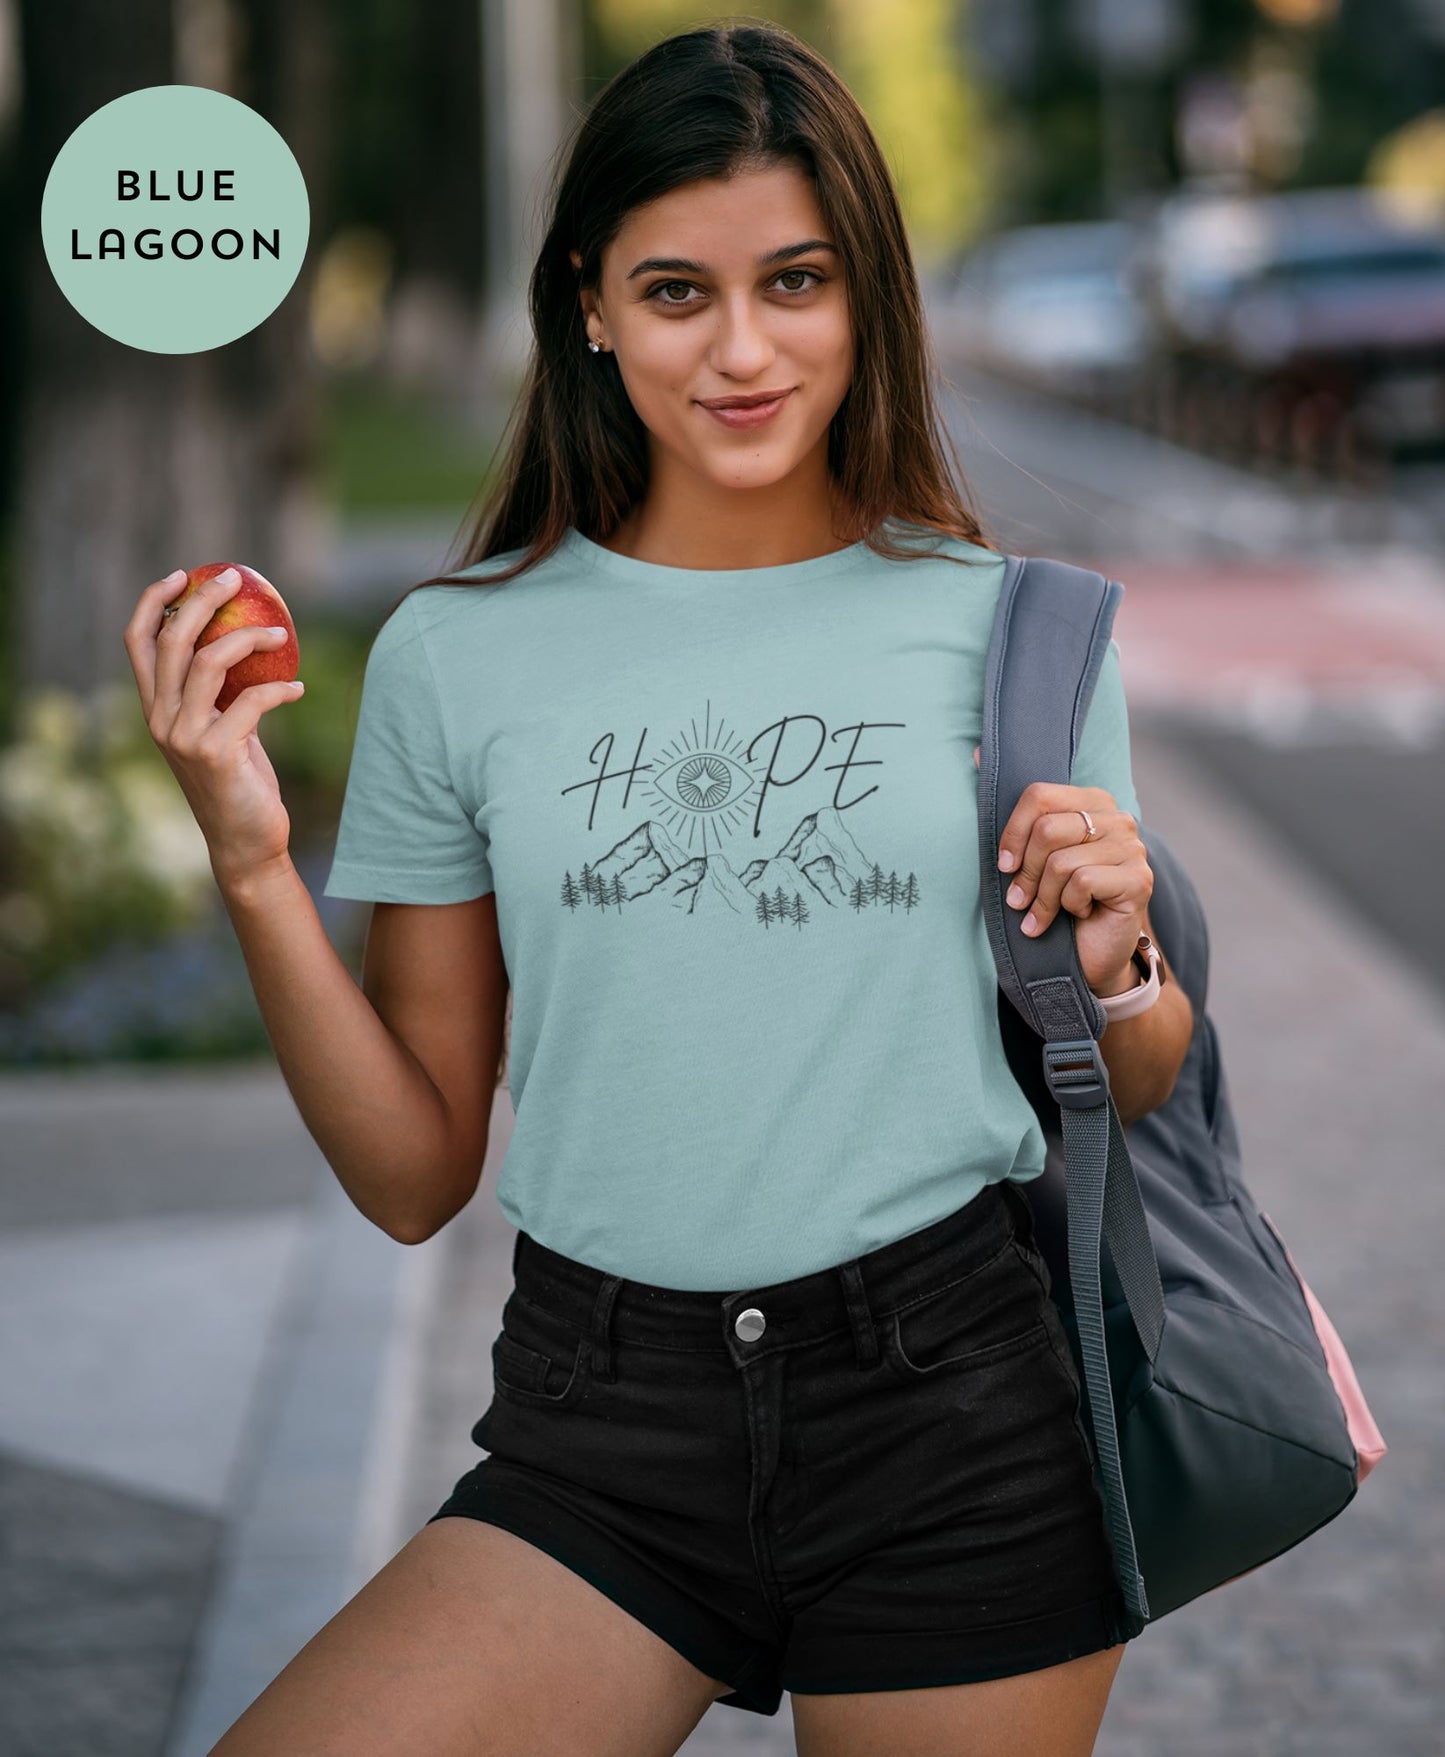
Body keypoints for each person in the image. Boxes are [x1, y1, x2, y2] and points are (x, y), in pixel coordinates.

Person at [125, 19, 1195, 1756]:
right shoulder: (455, 656)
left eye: (796, 281)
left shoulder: (1018, 627)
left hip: (957, 1408)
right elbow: (412, 1178)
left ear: (866, 297)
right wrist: (255, 864)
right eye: (677, 291)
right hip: (600, 1420)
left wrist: (1122, 961)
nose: (744, 348)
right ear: (591, 304)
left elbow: (1129, 1077)